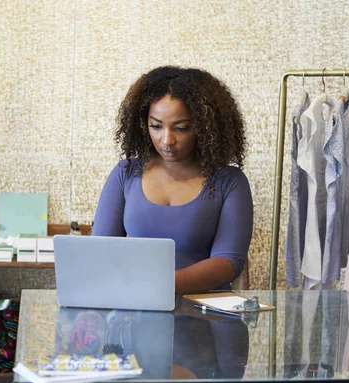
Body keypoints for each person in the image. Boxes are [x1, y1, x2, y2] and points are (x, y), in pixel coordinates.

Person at [92, 66, 253, 293]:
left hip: (205, 317)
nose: (167, 140)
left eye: (181, 128)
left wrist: (159, 285)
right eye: (156, 126)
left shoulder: (229, 182)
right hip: (135, 311)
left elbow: (228, 262)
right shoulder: (126, 173)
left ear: (205, 126)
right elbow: (99, 251)